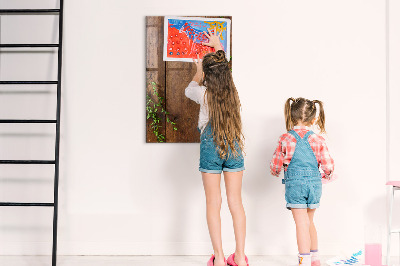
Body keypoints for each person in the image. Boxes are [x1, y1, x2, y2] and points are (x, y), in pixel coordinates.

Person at [184, 28, 248, 266]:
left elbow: (188, 89)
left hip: (210, 148)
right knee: (236, 202)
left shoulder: (203, 94)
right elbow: (224, 70)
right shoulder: (232, 93)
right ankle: (240, 257)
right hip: (233, 146)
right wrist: (218, 45)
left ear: (208, 77)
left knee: (214, 203)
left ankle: (219, 259)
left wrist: (198, 71)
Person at [270, 98, 335, 266]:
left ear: (291, 117)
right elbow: (328, 165)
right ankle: (315, 260)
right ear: (313, 120)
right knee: (309, 222)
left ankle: (304, 261)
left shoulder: (285, 138)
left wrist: (275, 171)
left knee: (301, 224)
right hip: (314, 185)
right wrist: (327, 176)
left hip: (295, 186)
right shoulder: (318, 139)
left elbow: (275, 164)